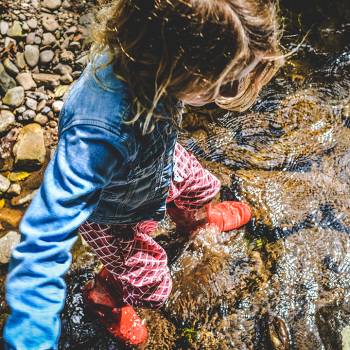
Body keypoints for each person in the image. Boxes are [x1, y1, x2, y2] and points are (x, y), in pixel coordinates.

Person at [3, 0, 284, 348]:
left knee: (200, 186)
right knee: (152, 286)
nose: (226, 94)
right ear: (178, 67)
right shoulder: (97, 133)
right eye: (223, 84)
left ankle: (192, 219)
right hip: (113, 214)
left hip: (152, 162)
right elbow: (44, 237)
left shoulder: (146, 56)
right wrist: (30, 333)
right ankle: (106, 294)